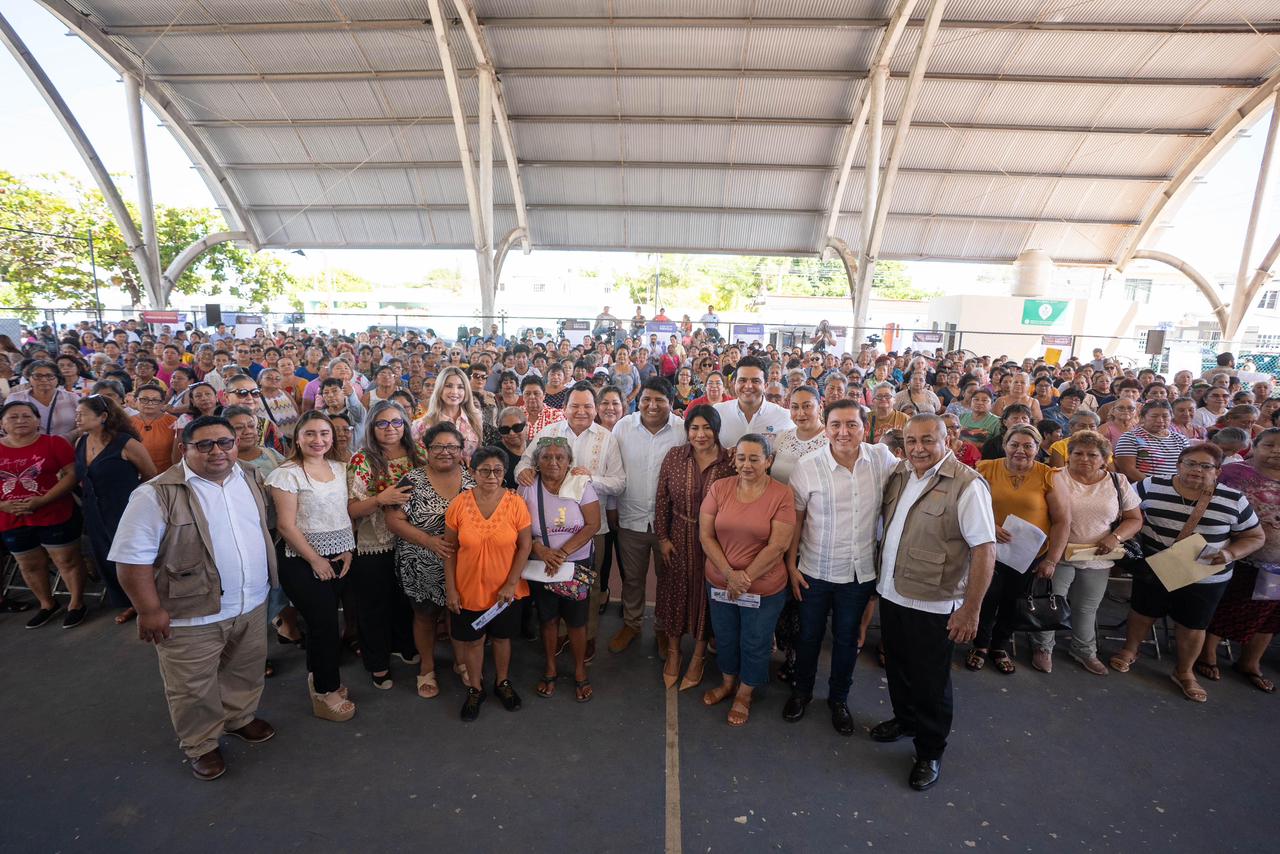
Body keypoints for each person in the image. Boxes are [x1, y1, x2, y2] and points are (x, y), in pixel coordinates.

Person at [111, 415, 277, 780]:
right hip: (191, 614)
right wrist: (149, 609)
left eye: (225, 442)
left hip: (250, 602)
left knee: (245, 670)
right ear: (184, 449)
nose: (217, 451)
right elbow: (131, 560)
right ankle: (202, 744)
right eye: (205, 445)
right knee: (192, 686)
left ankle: (239, 717)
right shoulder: (155, 493)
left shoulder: (250, 477)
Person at [872, 414, 996, 791]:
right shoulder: (901, 475)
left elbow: (985, 549)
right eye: (911, 441)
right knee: (897, 665)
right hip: (892, 590)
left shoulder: (967, 485)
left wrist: (971, 609)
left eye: (928, 440)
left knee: (930, 680)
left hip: (934, 601)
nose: (919, 448)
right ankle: (905, 719)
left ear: (948, 440)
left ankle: (929, 750)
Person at [1110, 443, 1265, 702]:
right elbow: (1123, 512)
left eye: (1206, 466)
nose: (1197, 470)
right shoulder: (1149, 486)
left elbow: (1255, 536)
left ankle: (1184, 671)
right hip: (1156, 566)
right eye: (1191, 463)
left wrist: (1229, 554)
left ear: (1217, 471)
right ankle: (1129, 650)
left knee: (1193, 624)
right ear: (1178, 465)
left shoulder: (1233, 499)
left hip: (1206, 574)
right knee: (1143, 610)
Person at [784, 400, 898, 734]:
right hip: (814, 570)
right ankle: (802, 692)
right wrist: (792, 565)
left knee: (848, 640)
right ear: (826, 426)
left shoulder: (881, 459)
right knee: (808, 637)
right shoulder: (807, 466)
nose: (843, 432)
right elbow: (797, 520)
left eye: (851, 424)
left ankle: (838, 698)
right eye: (835, 425)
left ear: (865, 427)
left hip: (859, 573)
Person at [516, 382, 626, 654]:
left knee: (588, 584)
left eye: (587, 406)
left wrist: (590, 480)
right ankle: (560, 634)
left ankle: (586, 636)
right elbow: (524, 463)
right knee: (551, 582)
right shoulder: (548, 432)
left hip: (589, 528)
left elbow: (619, 483)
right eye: (575, 406)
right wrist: (523, 473)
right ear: (564, 409)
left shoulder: (607, 438)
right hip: (547, 530)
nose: (581, 411)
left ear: (595, 409)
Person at [699, 434, 797, 726]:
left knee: (755, 640)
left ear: (768, 461)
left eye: (755, 458)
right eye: (741, 458)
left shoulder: (781, 494)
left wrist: (745, 578)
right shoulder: (720, 488)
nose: (747, 464)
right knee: (725, 635)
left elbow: (778, 545)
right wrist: (730, 575)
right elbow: (706, 535)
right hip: (720, 582)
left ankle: (745, 693)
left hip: (764, 587)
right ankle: (728, 682)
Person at [266, 411, 358, 722]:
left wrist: (346, 548)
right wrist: (316, 560)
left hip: (337, 555)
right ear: (297, 438)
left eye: (324, 434)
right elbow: (286, 525)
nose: (317, 440)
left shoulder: (339, 467)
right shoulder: (287, 473)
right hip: (302, 560)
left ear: (332, 437)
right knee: (323, 627)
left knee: (327, 623)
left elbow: (340, 513)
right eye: (310, 434)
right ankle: (325, 691)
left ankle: (318, 676)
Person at [1028, 430, 1142, 675]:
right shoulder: (1054, 476)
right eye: (1078, 453)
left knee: (1086, 607)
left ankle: (1083, 649)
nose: (1084, 458)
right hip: (1058, 553)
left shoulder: (1117, 481)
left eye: (1092, 454)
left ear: (1105, 459)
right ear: (1068, 456)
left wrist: (1116, 537)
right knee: (1051, 602)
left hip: (1097, 555)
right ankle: (1043, 647)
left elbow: (1135, 519)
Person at [967, 425, 1069, 675]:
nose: (1020, 450)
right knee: (986, 597)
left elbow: (1062, 521)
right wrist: (990, 525)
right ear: (1005, 445)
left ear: (1037, 447)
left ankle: (999, 647)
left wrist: (1052, 560)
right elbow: (967, 506)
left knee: (1014, 602)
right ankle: (980, 645)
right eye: (1014, 444)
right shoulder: (985, 468)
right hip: (989, 550)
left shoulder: (1049, 475)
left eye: (1028, 445)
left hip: (1030, 556)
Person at [385, 423, 475, 699]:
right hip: (420, 562)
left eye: (452, 447)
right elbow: (392, 520)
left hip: (464, 565)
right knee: (425, 616)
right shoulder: (412, 480)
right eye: (438, 446)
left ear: (461, 451)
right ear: (427, 449)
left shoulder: (473, 480)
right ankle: (427, 666)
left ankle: (462, 661)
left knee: (459, 615)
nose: (445, 452)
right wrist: (429, 541)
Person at [444, 446, 533, 721]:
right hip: (468, 589)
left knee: (502, 639)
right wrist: (451, 589)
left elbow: (525, 545)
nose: (491, 476)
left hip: (505, 592)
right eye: (484, 470)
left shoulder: (516, 503)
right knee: (472, 642)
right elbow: (450, 549)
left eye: (497, 470)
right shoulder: (459, 504)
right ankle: (475, 688)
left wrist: (511, 583)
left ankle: (502, 682)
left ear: (504, 472)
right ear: (473, 472)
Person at [654, 405, 737, 690]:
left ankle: (699, 656)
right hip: (678, 535)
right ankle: (675, 653)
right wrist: (663, 538)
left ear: (716, 430)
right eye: (694, 428)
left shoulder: (731, 462)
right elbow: (662, 499)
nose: (700, 435)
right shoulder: (675, 457)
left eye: (706, 428)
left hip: (716, 542)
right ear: (687, 430)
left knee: (706, 597)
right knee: (676, 592)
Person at [1197, 429, 1280, 692]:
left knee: (1270, 614)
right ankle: (1207, 653)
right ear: (1253, 446)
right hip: (1239, 554)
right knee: (1228, 604)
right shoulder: (1234, 474)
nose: (1276, 451)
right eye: (1269, 445)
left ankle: (1250, 662)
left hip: (1276, 563)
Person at [345, 402, 420, 691]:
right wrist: (381, 499)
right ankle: (377, 662)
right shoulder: (362, 459)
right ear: (372, 427)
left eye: (397, 422)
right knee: (374, 606)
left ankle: (403, 645)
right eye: (383, 423)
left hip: (411, 539)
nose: (391, 429)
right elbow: (352, 509)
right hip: (373, 543)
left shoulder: (418, 454)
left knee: (405, 600)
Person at [520, 437, 601, 702]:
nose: (553, 462)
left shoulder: (580, 483)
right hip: (542, 564)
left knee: (577, 622)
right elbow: (517, 527)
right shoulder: (528, 487)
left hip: (575, 563)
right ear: (537, 462)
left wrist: (563, 553)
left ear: (569, 462)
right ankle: (551, 668)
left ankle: (579, 672)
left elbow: (592, 525)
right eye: (546, 457)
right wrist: (540, 550)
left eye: (560, 457)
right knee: (548, 619)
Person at [609, 378, 686, 655]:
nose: (651, 406)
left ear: (671, 403)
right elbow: (613, 469)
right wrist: (611, 506)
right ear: (638, 401)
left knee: (667, 580)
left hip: (670, 523)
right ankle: (632, 624)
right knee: (632, 578)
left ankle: (663, 629)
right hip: (631, 517)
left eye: (659, 400)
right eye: (646, 399)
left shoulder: (682, 430)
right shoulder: (623, 427)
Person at [0, 400, 87, 629]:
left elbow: (72, 473)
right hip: (11, 517)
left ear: (38, 421)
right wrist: (3, 506)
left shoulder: (54, 443)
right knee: (28, 564)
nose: (20, 420)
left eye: (27, 416)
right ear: (2, 424)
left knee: (66, 560)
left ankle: (76, 604)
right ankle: (47, 604)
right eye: (13, 417)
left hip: (54, 511)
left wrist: (44, 499)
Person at [74, 394, 157, 624]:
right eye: (76, 414)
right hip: (94, 509)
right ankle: (129, 602)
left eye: (83, 414)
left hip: (124, 509)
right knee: (106, 557)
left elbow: (151, 476)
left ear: (102, 417)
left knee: (132, 558)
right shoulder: (81, 442)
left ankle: (148, 601)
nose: (77, 418)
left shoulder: (126, 443)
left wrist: (138, 504)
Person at [713, 356, 794, 446]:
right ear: (734, 383)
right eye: (742, 380)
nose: (748, 386)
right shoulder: (718, 412)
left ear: (766, 386)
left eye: (755, 381)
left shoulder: (785, 417)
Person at [413, 366, 483, 461]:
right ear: (439, 389)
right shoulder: (422, 425)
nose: (454, 392)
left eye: (460, 387)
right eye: (448, 386)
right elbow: (419, 460)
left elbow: (479, 452)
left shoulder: (475, 417)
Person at [1114, 400, 1189, 482]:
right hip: (1145, 488)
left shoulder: (1181, 439)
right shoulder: (1130, 437)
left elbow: (1188, 465)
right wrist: (1154, 486)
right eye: (1154, 416)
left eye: (1165, 416)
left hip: (1177, 486)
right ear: (1142, 418)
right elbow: (1128, 470)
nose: (1160, 420)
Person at [6, 360, 80, 442]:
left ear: (57, 378)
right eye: (37, 376)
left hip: (66, 446)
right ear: (28, 378)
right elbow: (6, 424)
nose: (44, 380)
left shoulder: (72, 398)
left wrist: (66, 438)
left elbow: (84, 425)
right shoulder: (15, 398)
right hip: (27, 448)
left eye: (49, 376)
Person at [770, 386, 828, 485]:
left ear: (820, 408)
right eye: (795, 407)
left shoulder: (832, 440)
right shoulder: (782, 437)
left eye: (807, 406)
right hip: (779, 499)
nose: (800, 413)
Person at [131, 381, 178, 474]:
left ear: (162, 403)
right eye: (144, 399)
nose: (149, 403)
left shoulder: (174, 422)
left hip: (166, 474)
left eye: (155, 400)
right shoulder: (127, 423)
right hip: (135, 474)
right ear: (135, 401)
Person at [494, 406, 528, 488]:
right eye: (505, 429)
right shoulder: (493, 453)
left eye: (517, 427)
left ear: (526, 426)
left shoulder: (535, 448)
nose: (511, 433)